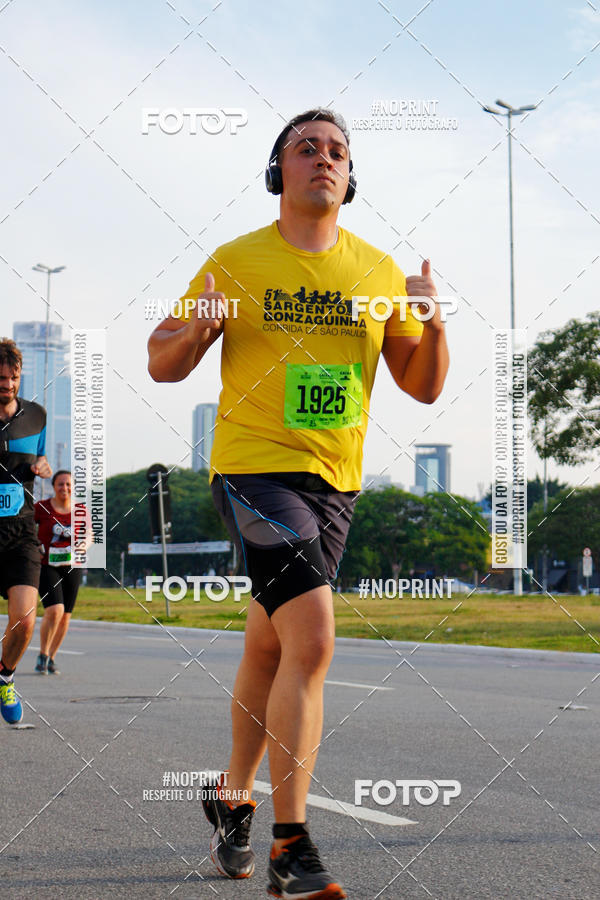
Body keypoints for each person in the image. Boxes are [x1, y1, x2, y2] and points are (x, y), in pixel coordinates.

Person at [148, 108, 449, 899]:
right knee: (312, 638)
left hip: (333, 482)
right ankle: (290, 843)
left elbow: (421, 385)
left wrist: (435, 321)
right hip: (252, 472)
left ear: (351, 179)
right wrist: (199, 330)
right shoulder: (235, 260)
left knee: (270, 648)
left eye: (339, 152)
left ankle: (232, 795)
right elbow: (161, 361)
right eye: (307, 147)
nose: (324, 158)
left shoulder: (379, 271)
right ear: (278, 170)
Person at [0, 338, 52, 724]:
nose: (7, 384)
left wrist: (42, 466)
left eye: (13, 377)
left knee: (25, 619)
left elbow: (41, 455)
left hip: (21, 531)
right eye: (1, 377)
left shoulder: (37, 416)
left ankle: (5, 676)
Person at [34, 470, 83, 675]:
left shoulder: (81, 511)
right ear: (54, 486)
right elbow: (27, 527)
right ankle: (42, 654)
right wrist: (35, 545)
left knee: (65, 616)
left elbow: (90, 535)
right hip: (46, 566)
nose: (65, 488)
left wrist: (84, 546)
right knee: (55, 610)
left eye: (69, 484)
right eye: (61, 484)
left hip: (72, 566)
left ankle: (52, 657)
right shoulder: (41, 507)